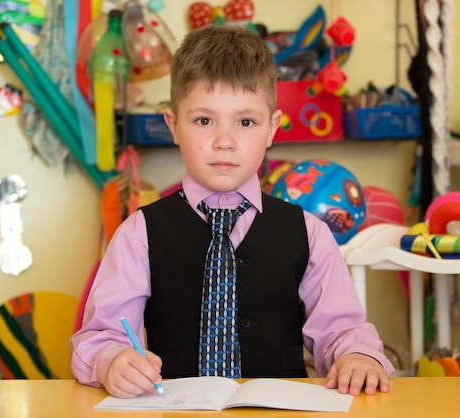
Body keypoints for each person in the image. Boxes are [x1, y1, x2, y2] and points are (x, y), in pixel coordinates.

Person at [70, 24, 394, 399]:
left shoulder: (309, 232)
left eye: (245, 122)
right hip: (175, 409)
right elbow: (98, 337)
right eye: (204, 121)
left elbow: (341, 332)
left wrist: (357, 355)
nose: (224, 142)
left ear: (271, 129)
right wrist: (111, 360)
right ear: (173, 125)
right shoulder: (139, 232)